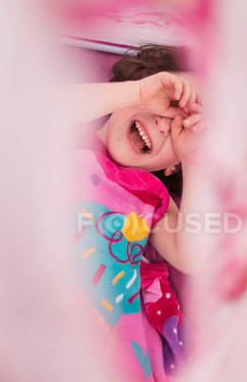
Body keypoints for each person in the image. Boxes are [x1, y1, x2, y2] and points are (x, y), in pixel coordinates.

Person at [67, 45, 203, 381]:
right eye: (169, 102)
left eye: (178, 127)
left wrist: (194, 160)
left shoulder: (149, 194)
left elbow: (192, 255)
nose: (161, 123)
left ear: (171, 168)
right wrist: (140, 91)